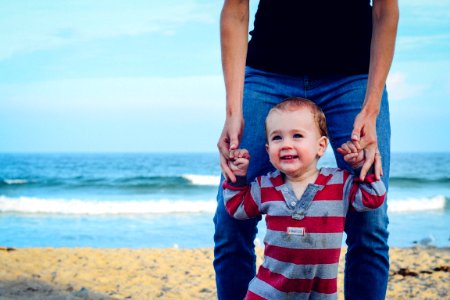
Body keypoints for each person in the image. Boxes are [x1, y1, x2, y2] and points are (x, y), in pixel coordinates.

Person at [214, 0, 399, 299]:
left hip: (353, 79)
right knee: (230, 221)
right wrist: (233, 111)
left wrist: (371, 108)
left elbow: (385, 10)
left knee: (370, 224)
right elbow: (235, 9)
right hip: (266, 75)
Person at [222, 98, 386, 299]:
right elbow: (236, 208)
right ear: (267, 150)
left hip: (320, 294)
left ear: (321, 146)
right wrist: (238, 178)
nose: (286, 144)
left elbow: (373, 198)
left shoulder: (340, 183)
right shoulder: (264, 186)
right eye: (277, 138)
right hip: (268, 293)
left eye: (297, 135)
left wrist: (361, 167)